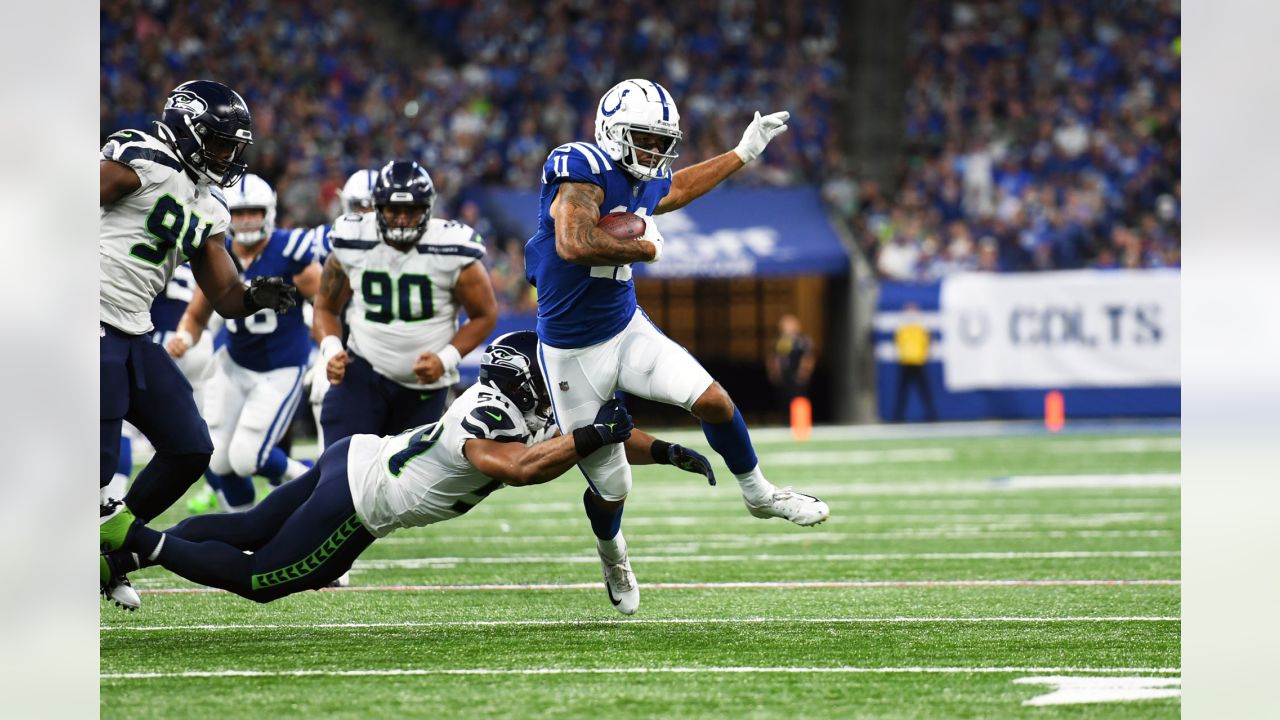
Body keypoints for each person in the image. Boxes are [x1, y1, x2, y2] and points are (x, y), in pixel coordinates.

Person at [99, 332, 714, 604]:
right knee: (264, 579)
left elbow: (586, 435)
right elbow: (522, 467)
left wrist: (660, 451)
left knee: (248, 526)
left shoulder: (520, 402)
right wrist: (590, 435)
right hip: (365, 499)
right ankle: (135, 540)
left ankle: (114, 557)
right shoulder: (490, 419)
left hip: (356, 457)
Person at [523, 79, 830, 616]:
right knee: (612, 488)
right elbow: (573, 242)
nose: (654, 153)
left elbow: (676, 187)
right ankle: (611, 551)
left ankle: (760, 494)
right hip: (572, 351)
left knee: (713, 399)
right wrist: (642, 246)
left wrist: (742, 153)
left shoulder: (640, 176)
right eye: (643, 139)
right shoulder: (580, 167)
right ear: (611, 134)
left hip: (626, 327)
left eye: (660, 140)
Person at [99, 80, 297, 610]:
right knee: (93, 470)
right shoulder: (139, 156)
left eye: (233, 146)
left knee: (189, 447)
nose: (227, 156)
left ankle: (107, 556)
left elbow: (226, 295)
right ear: (187, 129)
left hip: (131, 328)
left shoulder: (207, 205)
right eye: (218, 142)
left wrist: (257, 295)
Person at [167, 173, 324, 510]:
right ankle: (246, 533)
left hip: (281, 366)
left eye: (252, 212)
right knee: (218, 460)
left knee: (246, 457)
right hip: (235, 363)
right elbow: (196, 315)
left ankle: (320, 483)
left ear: (268, 212)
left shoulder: (290, 251)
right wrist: (183, 336)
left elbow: (326, 302)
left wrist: (327, 339)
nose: (245, 220)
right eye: (238, 213)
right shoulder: (217, 252)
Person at [313, 160, 498, 446]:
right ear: (377, 208)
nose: (401, 218)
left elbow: (485, 315)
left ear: (427, 209)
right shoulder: (353, 239)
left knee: (404, 484)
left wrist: (445, 359)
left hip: (424, 386)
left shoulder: (452, 247)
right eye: (393, 209)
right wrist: (332, 348)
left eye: (411, 211)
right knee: (340, 471)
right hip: (363, 372)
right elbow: (325, 307)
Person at [306, 168, 378, 447]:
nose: (368, 212)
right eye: (361, 205)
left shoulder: (399, 243)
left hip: (381, 347)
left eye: (374, 205)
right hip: (339, 343)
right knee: (323, 389)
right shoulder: (324, 240)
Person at [892, 302, 938, 422]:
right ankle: (898, 417)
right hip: (906, 362)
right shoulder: (902, 327)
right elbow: (898, 343)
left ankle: (931, 415)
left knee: (924, 391)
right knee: (903, 392)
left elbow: (927, 342)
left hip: (918, 362)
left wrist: (924, 355)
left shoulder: (921, 327)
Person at [767, 314, 815, 411]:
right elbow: (774, 357)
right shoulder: (780, 341)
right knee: (784, 400)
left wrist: (804, 373)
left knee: (799, 400)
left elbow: (809, 357)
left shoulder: (803, 341)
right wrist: (774, 372)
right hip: (784, 378)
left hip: (798, 377)